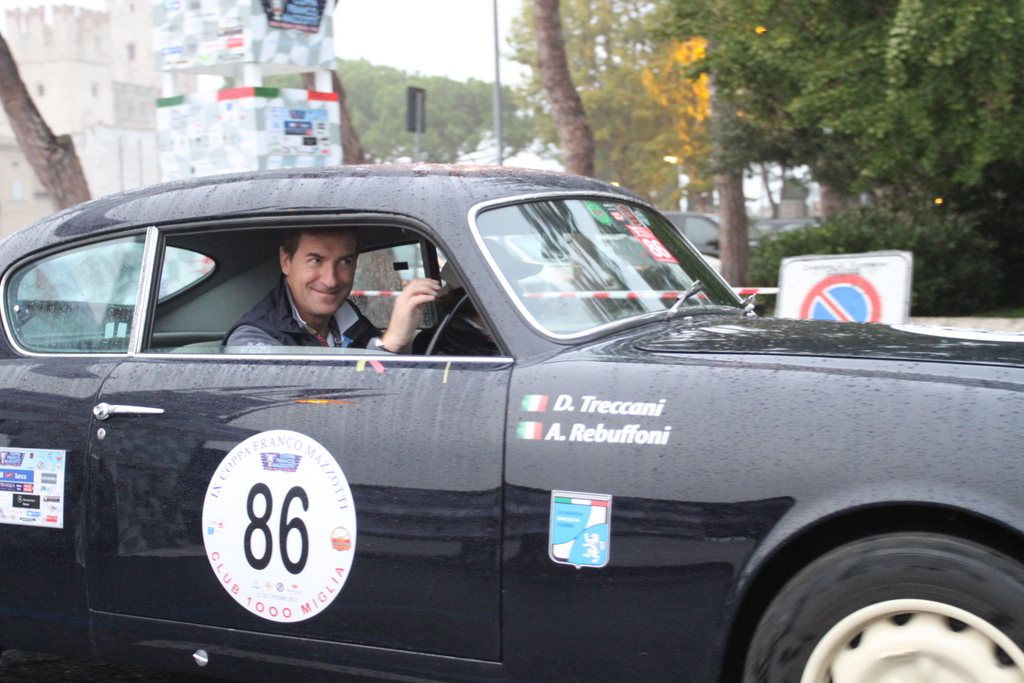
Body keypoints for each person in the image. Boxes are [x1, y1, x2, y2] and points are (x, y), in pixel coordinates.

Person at [224, 227, 439, 352]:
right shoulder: (254, 339)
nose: (331, 280)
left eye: (344, 262)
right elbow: (310, 405)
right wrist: (387, 344)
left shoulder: (350, 319)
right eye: (315, 260)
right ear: (286, 261)